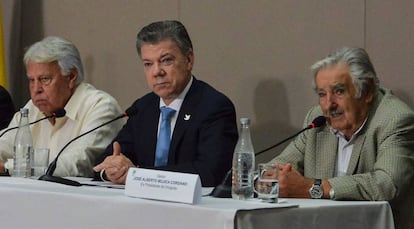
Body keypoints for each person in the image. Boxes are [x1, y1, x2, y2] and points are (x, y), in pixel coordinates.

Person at [270, 47, 414, 229]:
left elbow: (387, 183)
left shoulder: (395, 119)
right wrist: (269, 180)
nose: (328, 105)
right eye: (322, 94)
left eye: (339, 91)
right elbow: (278, 167)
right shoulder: (317, 120)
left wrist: (314, 188)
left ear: (367, 91)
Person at [93, 20, 238, 187]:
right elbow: (103, 161)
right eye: (148, 64)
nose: (157, 72)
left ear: (189, 60)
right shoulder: (143, 108)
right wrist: (112, 170)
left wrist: (138, 175)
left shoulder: (214, 107)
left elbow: (211, 172)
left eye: (166, 60)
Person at [0, 36, 124, 177]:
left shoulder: (101, 106)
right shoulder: (33, 108)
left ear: (71, 77)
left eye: (44, 79)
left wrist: (8, 167)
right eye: (31, 80)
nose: (36, 89)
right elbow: (4, 145)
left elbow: (78, 164)